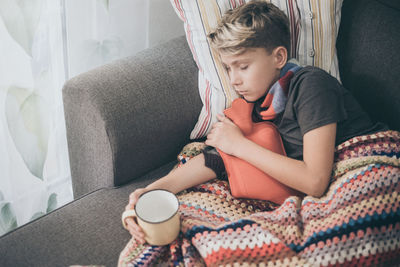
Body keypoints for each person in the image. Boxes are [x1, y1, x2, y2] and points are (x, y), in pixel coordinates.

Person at [122, 1, 386, 244]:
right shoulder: (257, 106)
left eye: (243, 66)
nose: (234, 80)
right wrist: (150, 190)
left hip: (367, 168)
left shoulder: (310, 85)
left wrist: (239, 145)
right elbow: (218, 159)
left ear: (279, 58)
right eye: (228, 68)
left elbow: (315, 181)